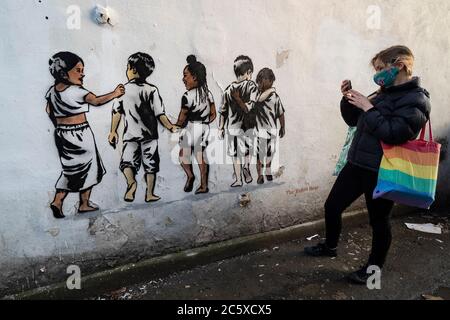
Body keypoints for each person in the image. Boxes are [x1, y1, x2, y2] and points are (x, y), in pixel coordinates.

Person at [304, 45, 431, 284]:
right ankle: (330, 246)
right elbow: (354, 121)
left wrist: (369, 108)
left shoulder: (417, 100)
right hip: (357, 163)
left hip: (384, 170)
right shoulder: (382, 92)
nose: (378, 74)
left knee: (378, 221)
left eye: (382, 68)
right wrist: (348, 99)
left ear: (400, 65)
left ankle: (373, 269)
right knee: (332, 206)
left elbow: (395, 133)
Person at [46, 51, 125, 219]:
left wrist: (58, 125)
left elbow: (49, 110)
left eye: (83, 70)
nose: (82, 74)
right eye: (78, 70)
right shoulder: (76, 91)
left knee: (70, 170)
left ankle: (58, 201)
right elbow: (96, 101)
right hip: (80, 133)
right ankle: (84, 204)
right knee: (90, 168)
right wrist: (114, 93)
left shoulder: (52, 91)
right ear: (63, 73)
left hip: (61, 134)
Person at [109, 52, 177, 203]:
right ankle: (150, 193)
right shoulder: (151, 90)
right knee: (151, 166)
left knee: (127, 163)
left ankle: (131, 183)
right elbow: (160, 114)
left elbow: (116, 112)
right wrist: (171, 127)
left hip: (130, 136)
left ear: (133, 70)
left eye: (127, 68)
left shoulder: (123, 90)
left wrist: (113, 132)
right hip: (149, 136)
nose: (126, 71)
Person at [175, 55, 216, 194]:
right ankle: (204, 185)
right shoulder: (208, 94)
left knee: (183, 154)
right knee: (201, 156)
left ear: (195, 78)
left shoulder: (187, 96)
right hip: (204, 127)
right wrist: (205, 123)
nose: (183, 79)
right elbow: (213, 114)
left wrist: (177, 127)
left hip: (191, 127)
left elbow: (182, 117)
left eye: (186, 76)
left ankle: (190, 175)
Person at [218, 56, 258, 187]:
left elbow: (222, 112)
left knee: (235, 155)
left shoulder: (228, 89)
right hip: (248, 127)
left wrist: (220, 128)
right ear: (249, 72)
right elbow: (248, 108)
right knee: (247, 150)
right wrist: (239, 99)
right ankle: (246, 167)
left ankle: (238, 180)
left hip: (232, 128)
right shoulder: (251, 86)